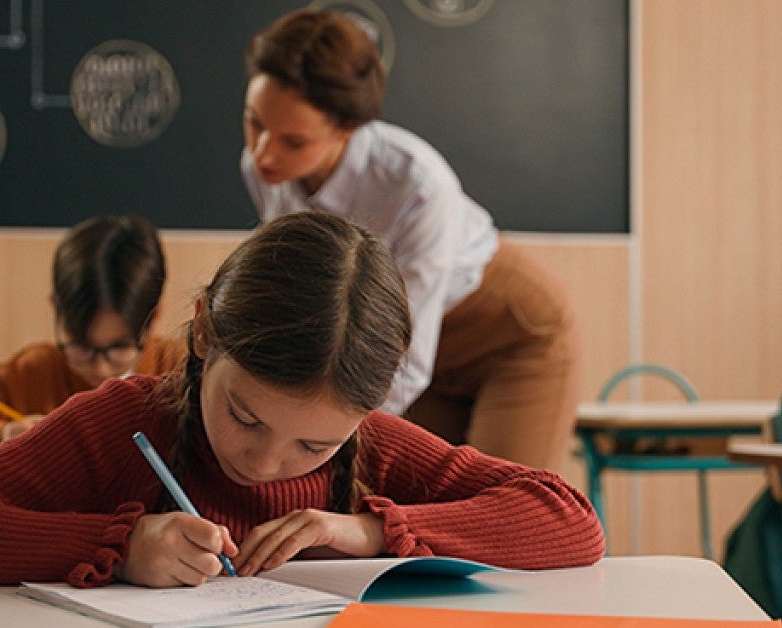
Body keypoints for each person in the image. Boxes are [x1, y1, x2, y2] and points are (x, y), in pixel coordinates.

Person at [0, 211, 605, 588]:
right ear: (202, 334)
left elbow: (569, 520)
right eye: (245, 417)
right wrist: (119, 548)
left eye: (314, 445)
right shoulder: (123, 419)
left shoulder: (371, 442)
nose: (263, 462)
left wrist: (372, 533)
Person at [239, 10, 582, 470]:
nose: (264, 154)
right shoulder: (264, 169)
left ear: (347, 128)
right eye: (254, 123)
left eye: (294, 142)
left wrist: (310, 438)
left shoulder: (416, 183)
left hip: (507, 336)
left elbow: (409, 363)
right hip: (397, 348)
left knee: (496, 501)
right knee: (401, 496)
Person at [0, 214, 186, 465]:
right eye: (81, 346)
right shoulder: (35, 370)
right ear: (56, 307)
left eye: (119, 348)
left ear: (154, 317)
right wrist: (3, 434)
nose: (100, 368)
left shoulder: (180, 369)